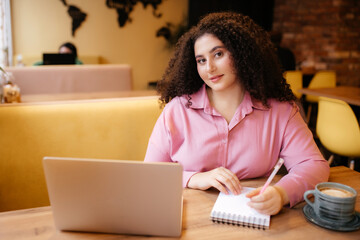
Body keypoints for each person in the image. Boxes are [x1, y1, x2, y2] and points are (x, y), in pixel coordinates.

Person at [144, 12, 329, 216]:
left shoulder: (280, 111)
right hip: (190, 218)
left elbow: (313, 165)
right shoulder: (177, 110)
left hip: (254, 218)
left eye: (218, 54)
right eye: (201, 60)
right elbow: (150, 174)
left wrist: (281, 193)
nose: (209, 68)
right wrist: (194, 178)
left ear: (242, 53)